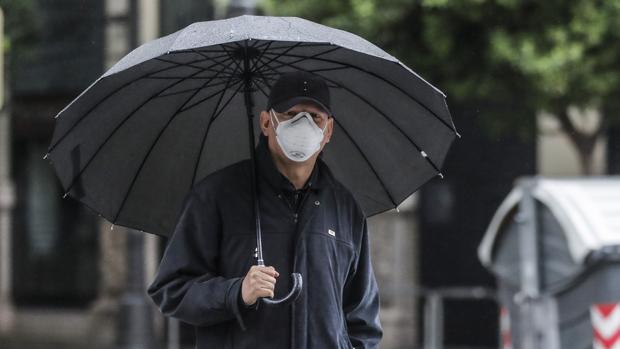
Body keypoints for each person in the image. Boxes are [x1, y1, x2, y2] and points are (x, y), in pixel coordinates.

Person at [147, 71, 383, 349]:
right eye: (291, 114)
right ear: (266, 122)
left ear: (328, 131)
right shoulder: (216, 196)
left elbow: (361, 316)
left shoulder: (345, 208)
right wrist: (236, 292)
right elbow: (171, 290)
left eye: (314, 117)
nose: (303, 124)